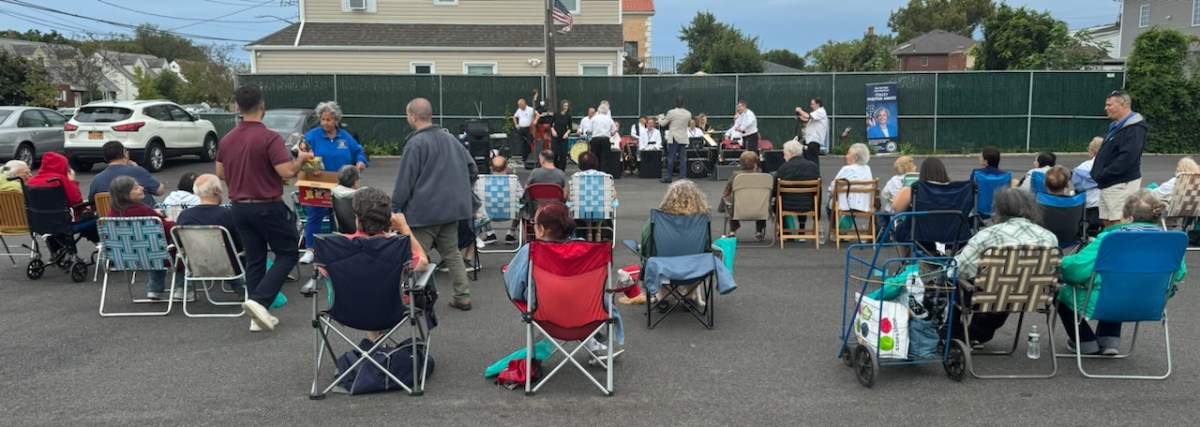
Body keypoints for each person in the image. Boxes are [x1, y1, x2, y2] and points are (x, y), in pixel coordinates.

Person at [217, 84, 312, 332]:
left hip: (238, 206)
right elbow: (287, 172)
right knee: (288, 253)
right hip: (267, 205)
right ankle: (260, 302)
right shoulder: (269, 138)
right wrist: (300, 160)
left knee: (255, 259)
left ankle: (257, 316)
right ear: (262, 105)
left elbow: (220, 173)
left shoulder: (227, 138)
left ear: (238, 107)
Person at [1057, 191, 1185, 355]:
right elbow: (1179, 273)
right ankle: (1108, 338)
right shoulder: (1172, 241)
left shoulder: (1110, 238)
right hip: (1151, 301)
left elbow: (1076, 271)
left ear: (1128, 217)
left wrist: (1061, 264)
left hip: (1104, 301)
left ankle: (1085, 340)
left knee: (1063, 290)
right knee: (1124, 283)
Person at [504, 202, 623, 359]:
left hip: (545, 316)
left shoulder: (531, 251)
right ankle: (593, 343)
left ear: (541, 229)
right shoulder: (588, 249)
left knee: (536, 289)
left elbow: (515, 289)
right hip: (589, 316)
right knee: (575, 294)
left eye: (534, 223)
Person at [392, 97, 477, 311]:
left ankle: (420, 299)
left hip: (423, 212)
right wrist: (461, 191)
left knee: (417, 255)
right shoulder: (450, 139)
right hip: (452, 210)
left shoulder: (415, 143)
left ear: (412, 116)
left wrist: (394, 207)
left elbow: (405, 181)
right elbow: (472, 169)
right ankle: (462, 296)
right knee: (452, 253)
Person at [952, 188, 1058, 346]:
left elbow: (961, 269)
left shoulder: (987, 235)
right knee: (1008, 285)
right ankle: (978, 334)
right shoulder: (1048, 237)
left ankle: (954, 335)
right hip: (1027, 296)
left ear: (998, 209)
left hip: (985, 297)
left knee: (954, 283)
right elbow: (1051, 271)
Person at [345, 187, 430, 342]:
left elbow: (325, 273)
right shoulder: (395, 246)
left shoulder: (340, 245)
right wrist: (404, 228)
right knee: (377, 293)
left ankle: (375, 347)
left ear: (357, 217)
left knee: (364, 291)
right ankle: (377, 349)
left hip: (348, 309)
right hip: (391, 307)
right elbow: (424, 264)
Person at [298, 101, 368, 265]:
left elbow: (358, 152)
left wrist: (360, 161)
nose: (325, 123)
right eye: (322, 119)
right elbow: (300, 153)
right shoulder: (312, 135)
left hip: (341, 184)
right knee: (315, 215)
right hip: (318, 183)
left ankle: (342, 245)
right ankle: (310, 249)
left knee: (342, 215)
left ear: (336, 120)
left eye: (329, 120)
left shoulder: (344, 136)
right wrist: (310, 164)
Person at [107, 175, 180, 301]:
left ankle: (154, 288)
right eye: (136, 188)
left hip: (123, 258)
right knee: (176, 247)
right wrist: (168, 220)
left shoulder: (111, 215)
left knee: (153, 246)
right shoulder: (143, 211)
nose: (141, 188)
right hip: (155, 256)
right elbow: (170, 229)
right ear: (125, 194)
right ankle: (183, 288)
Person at [174, 173, 244, 301]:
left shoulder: (185, 215)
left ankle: (183, 289)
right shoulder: (228, 214)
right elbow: (240, 244)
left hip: (196, 265)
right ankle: (244, 289)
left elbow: (179, 243)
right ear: (217, 190)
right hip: (229, 264)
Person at [1093, 90, 1147, 227]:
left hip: (1120, 184)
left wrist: (1105, 173)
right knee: (1108, 221)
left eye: (1109, 105)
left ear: (1123, 105)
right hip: (1108, 184)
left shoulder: (1134, 128)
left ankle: (1122, 248)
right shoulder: (1117, 126)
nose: (1106, 108)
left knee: (1119, 222)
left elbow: (1127, 158)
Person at [27, 152, 98, 247]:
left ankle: (60, 253)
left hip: (39, 224)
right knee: (94, 220)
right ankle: (101, 246)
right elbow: (76, 201)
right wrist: (72, 181)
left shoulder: (31, 181)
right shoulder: (60, 180)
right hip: (64, 224)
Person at [89, 140, 165, 207]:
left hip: (110, 221)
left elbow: (92, 204)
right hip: (142, 220)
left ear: (105, 158)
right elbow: (159, 191)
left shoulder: (97, 179)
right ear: (124, 153)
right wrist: (138, 168)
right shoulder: (137, 171)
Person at [828, 143, 874, 238]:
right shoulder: (867, 169)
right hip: (864, 204)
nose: (846, 156)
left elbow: (833, 186)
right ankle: (842, 232)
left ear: (854, 158)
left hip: (846, 204)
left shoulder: (846, 169)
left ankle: (836, 232)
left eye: (848, 154)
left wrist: (831, 193)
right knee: (853, 202)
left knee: (829, 205)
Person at [775, 140, 821, 231]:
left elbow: (775, 188)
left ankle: (786, 230)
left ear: (791, 153)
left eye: (785, 154)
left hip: (786, 205)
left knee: (776, 201)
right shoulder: (813, 167)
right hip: (808, 204)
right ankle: (802, 229)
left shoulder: (784, 168)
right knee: (804, 195)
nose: (784, 157)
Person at [723, 151, 766, 240]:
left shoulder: (736, 175)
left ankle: (733, 230)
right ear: (755, 163)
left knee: (731, 200)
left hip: (739, 208)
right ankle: (759, 230)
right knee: (762, 199)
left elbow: (727, 190)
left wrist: (723, 203)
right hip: (758, 208)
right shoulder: (762, 176)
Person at [481, 155, 523, 245]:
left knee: (478, 206)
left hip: (488, 214)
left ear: (491, 169)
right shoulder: (513, 180)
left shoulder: (482, 181)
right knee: (521, 205)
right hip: (509, 214)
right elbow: (521, 195)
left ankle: (489, 233)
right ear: (507, 168)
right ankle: (511, 234)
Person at [657, 96, 693, 184]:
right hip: (683, 137)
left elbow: (663, 123)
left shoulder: (671, 112)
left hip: (673, 138)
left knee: (671, 158)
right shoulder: (688, 113)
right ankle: (682, 177)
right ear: (683, 103)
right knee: (682, 159)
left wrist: (659, 118)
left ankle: (669, 177)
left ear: (675, 103)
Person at [1071, 137, 1104, 230]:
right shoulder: (1111, 165)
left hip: (1090, 204)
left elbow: (1077, 185)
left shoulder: (1084, 166)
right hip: (1106, 203)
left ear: (1093, 150)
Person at [587, 104, 617, 170]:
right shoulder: (609, 119)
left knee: (595, 157)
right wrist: (609, 133)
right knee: (605, 158)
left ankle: (595, 171)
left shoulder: (593, 118)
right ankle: (603, 173)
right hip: (605, 139)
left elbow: (589, 131)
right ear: (607, 111)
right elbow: (614, 131)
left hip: (595, 139)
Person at [549, 100, 573, 170]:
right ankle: (555, 167)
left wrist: (566, 134)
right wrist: (553, 131)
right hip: (556, 135)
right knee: (555, 152)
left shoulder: (568, 116)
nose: (566, 107)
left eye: (567, 106)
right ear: (561, 106)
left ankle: (562, 168)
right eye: (564, 105)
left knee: (563, 153)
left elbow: (570, 127)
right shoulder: (556, 114)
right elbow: (550, 124)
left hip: (564, 136)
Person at [513, 98, 538, 162]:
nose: (519, 106)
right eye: (519, 105)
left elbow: (538, 114)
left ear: (524, 104)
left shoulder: (530, 109)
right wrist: (516, 124)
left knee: (529, 143)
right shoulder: (519, 110)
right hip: (521, 128)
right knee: (522, 143)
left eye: (520, 105)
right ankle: (524, 158)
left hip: (528, 128)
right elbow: (514, 117)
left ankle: (530, 157)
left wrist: (535, 120)